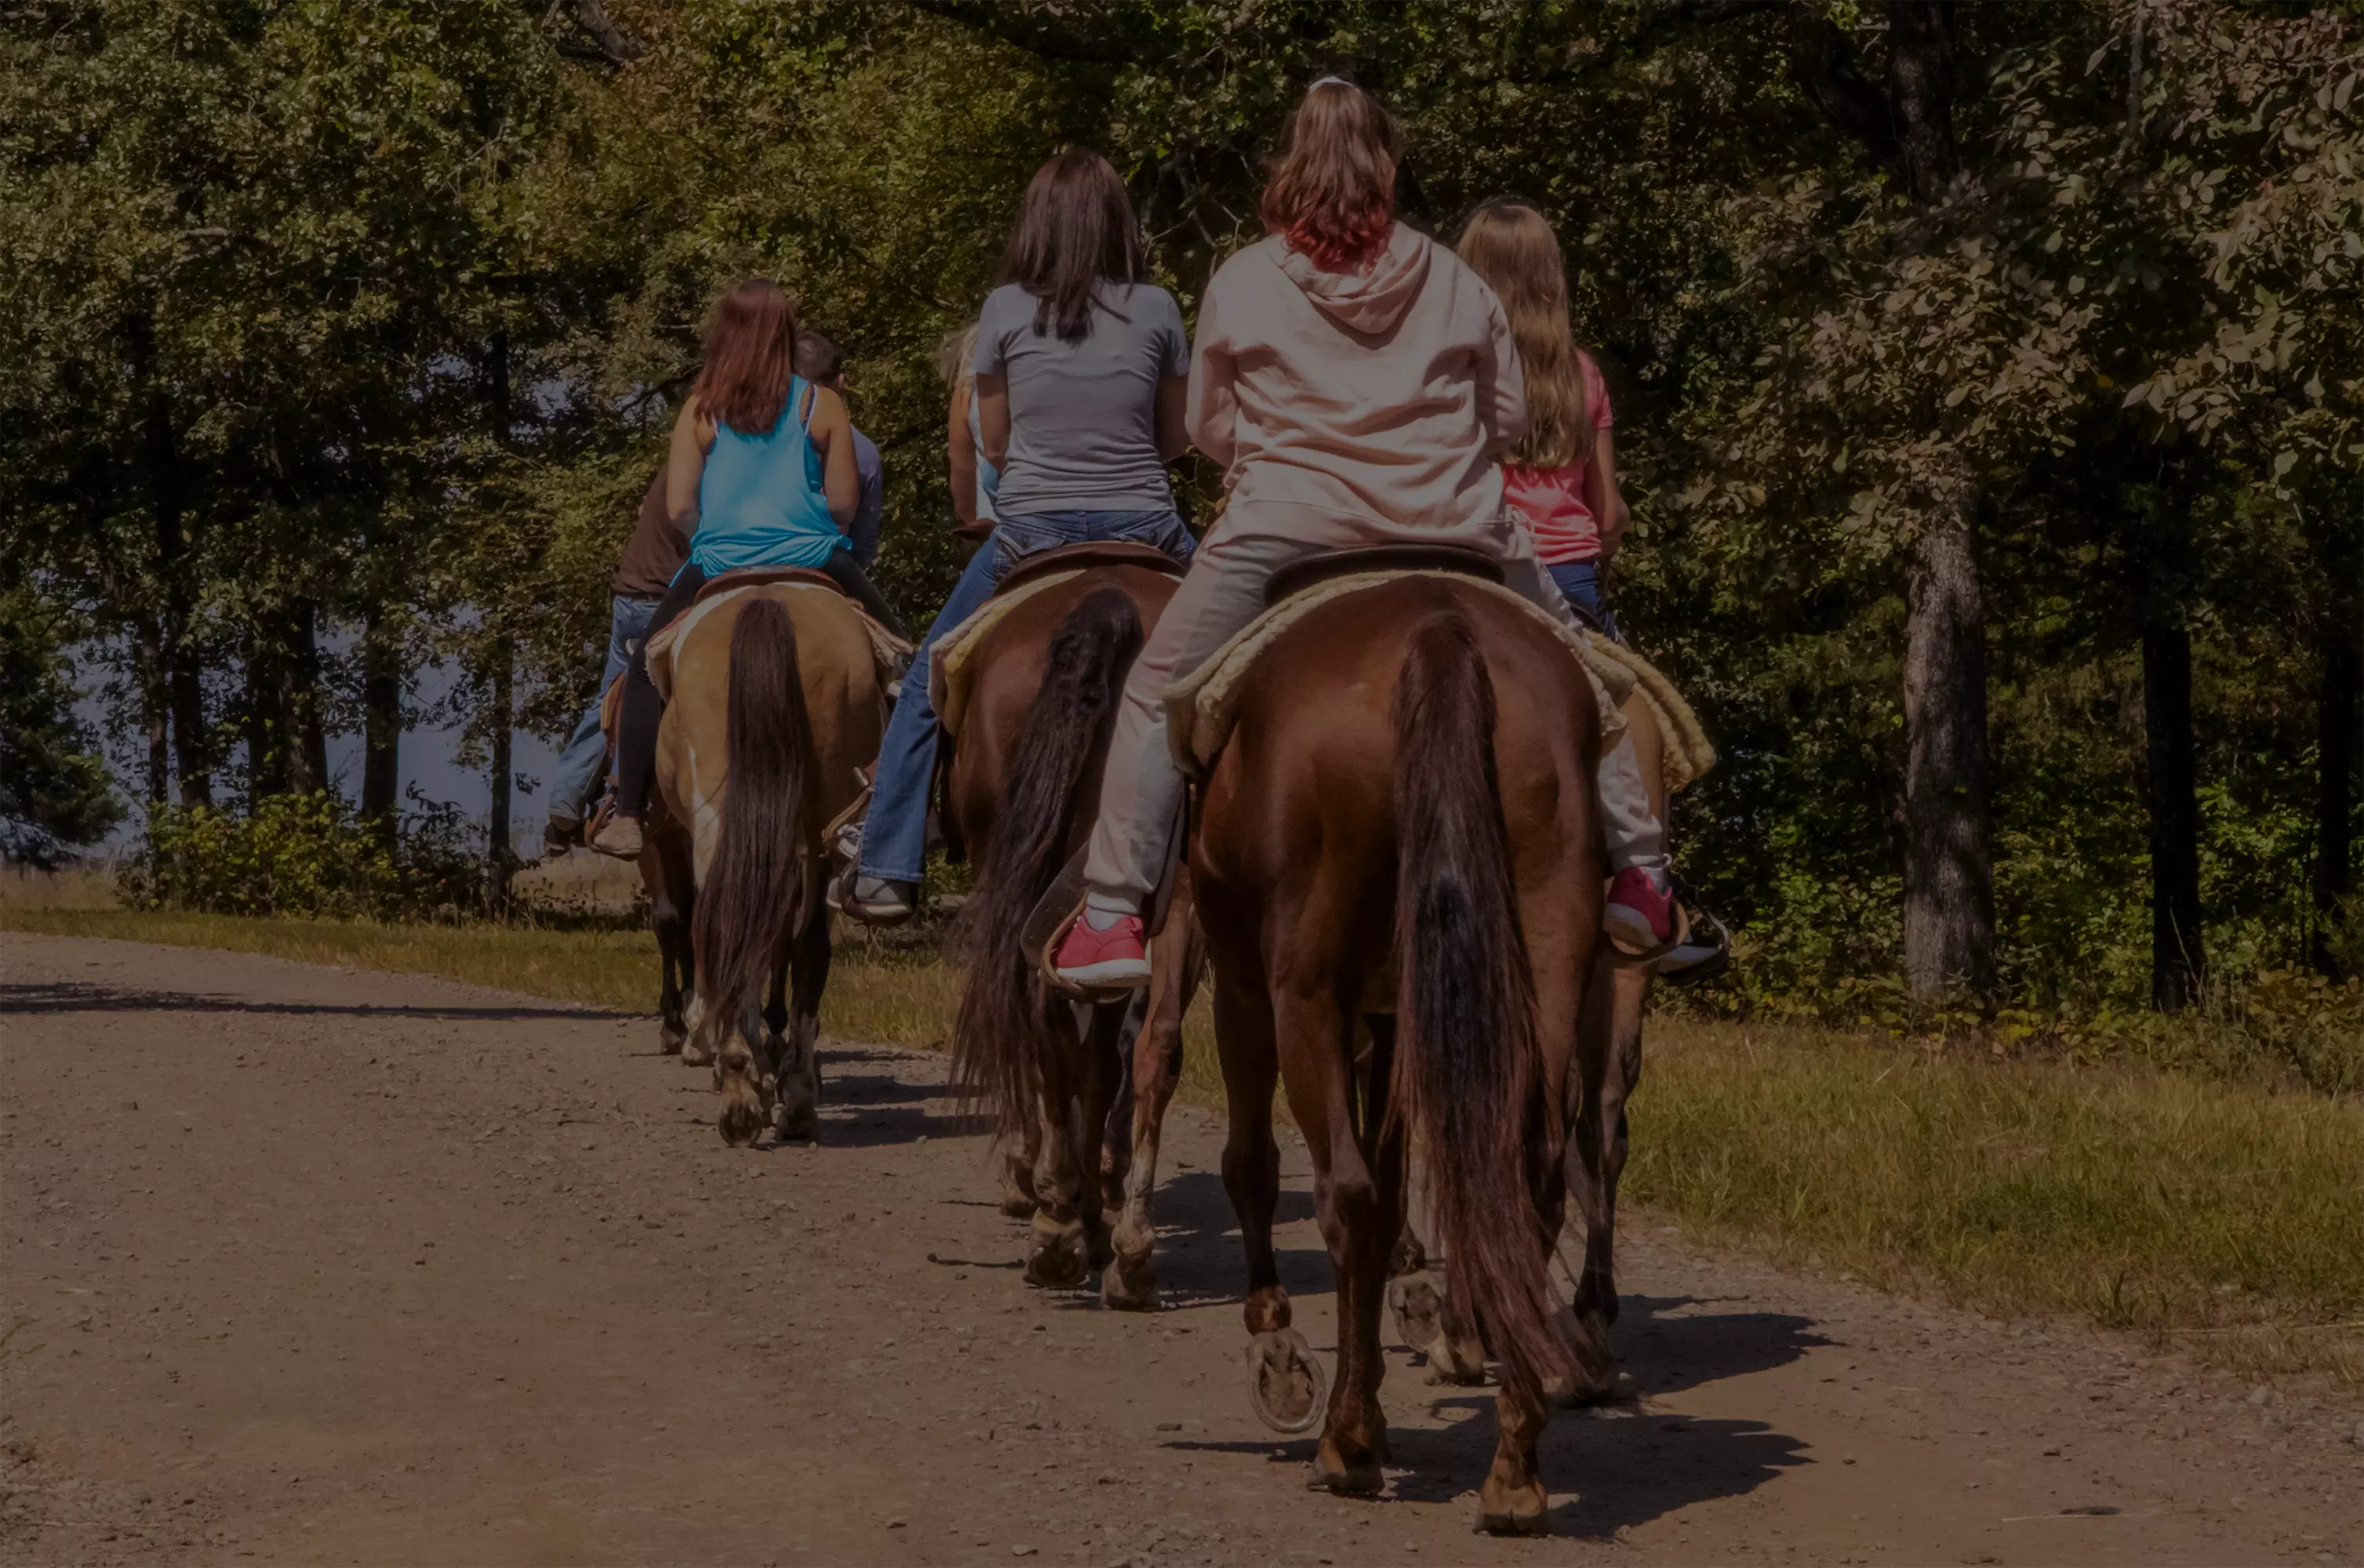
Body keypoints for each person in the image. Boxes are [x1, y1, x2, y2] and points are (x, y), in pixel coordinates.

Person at [1051, 78, 1677, 989]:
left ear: (1289, 165)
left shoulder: (1242, 278)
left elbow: (1211, 428)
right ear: (1387, 164)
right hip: (1458, 527)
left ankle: (1111, 914)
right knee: (1587, 672)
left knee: (1155, 692)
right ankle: (1645, 879)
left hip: (1286, 528)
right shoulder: (1456, 279)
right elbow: (1504, 418)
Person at [841, 147, 1194, 924]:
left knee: (930, 679)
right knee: (1253, 650)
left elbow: (994, 444)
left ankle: (888, 863)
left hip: (1030, 534)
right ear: (1117, 226)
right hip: (1149, 525)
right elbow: (1176, 440)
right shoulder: (1162, 308)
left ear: (1036, 226)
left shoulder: (1002, 311)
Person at [590, 279, 907, 860]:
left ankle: (629, 813)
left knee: (640, 670)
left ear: (723, 335)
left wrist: (714, 539)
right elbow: (841, 503)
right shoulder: (821, 403)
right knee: (901, 664)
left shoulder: (700, 408)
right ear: (784, 335)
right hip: (814, 555)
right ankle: (908, 811)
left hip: (718, 558)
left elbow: (680, 505)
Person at [1454, 200, 1626, 635]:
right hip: (1567, 580)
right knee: (1632, 696)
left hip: (1471, 566)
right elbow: (1608, 517)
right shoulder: (1582, 373)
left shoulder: (1450, 372)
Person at [542, 467, 687, 851]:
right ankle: (624, 801)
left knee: (613, 693)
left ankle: (566, 803)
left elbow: (646, 510)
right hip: (659, 598)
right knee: (643, 694)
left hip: (632, 593)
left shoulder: (686, 457)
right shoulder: (727, 468)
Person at [793, 330, 884, 568]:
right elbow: (863, 544)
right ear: (840, 383)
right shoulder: (864, 452)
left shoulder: (750, 432)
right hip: (827, 563)